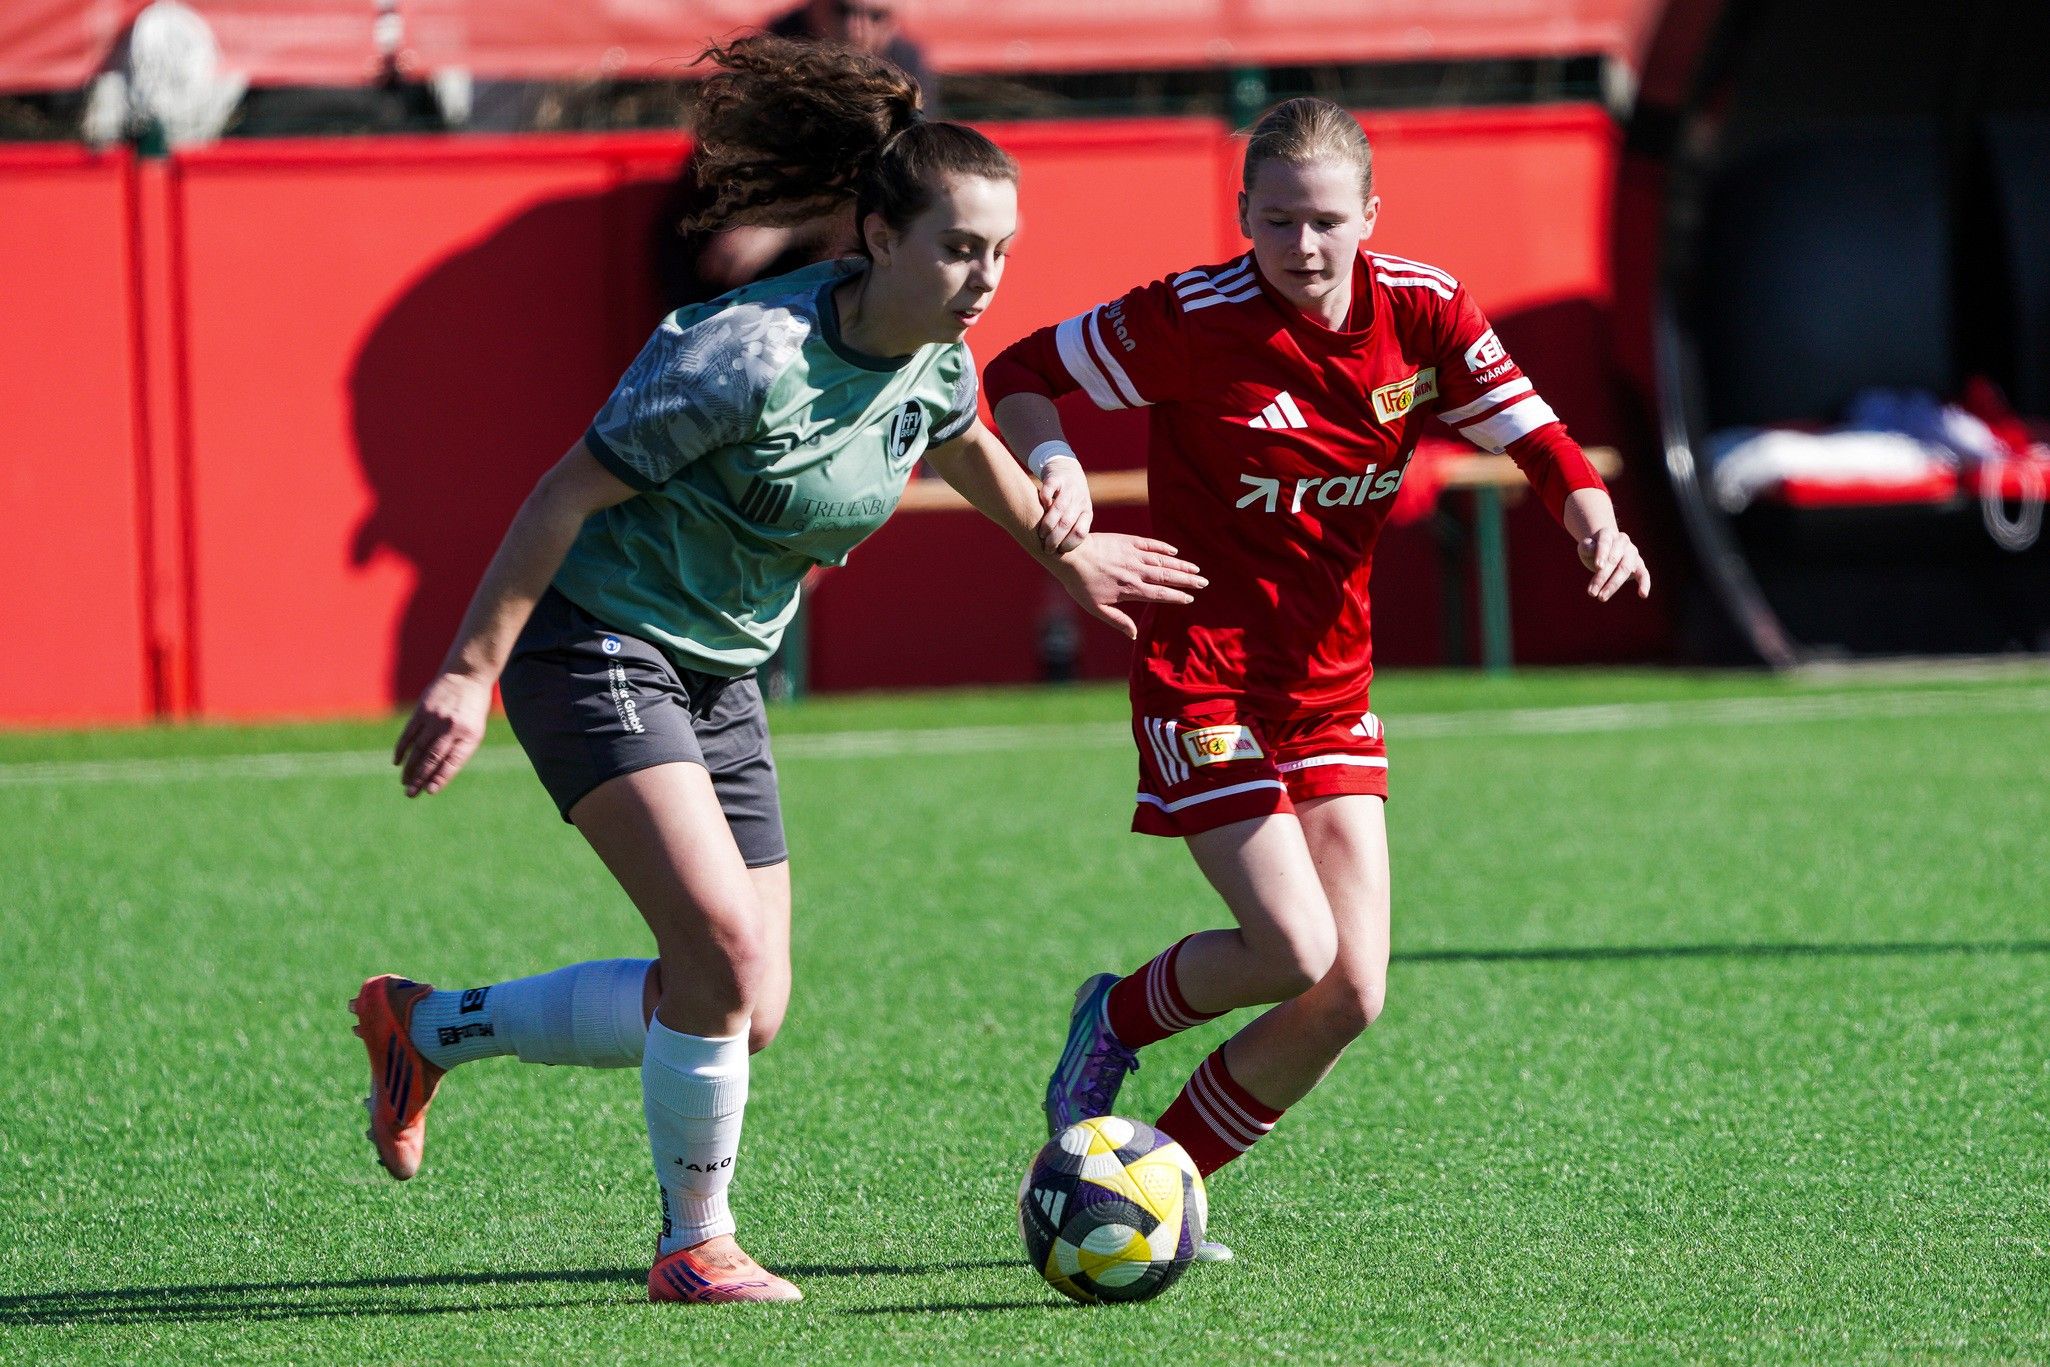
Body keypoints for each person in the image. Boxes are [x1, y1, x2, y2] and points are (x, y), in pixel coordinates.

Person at [355, 35, 1206, 1306]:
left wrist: (1064, 554)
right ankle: (692, 1244)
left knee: (746, 1003)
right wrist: (468, 671)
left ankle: (425, 1028)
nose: (983, 279)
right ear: (876, 231)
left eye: (1002, 253)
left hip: (723, 674)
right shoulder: (745, 351)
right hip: (597, 641)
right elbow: (560, 495)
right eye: (958, 248)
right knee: (714, 942)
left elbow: (963, 438)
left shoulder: (931, 355)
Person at [982, 97, 1651, 1258]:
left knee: (1349, 991)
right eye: (1277, 220)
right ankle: (1116, 1015)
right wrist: (1055, 466)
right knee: (1292, 947)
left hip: (1330, 685)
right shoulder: (1190, 318)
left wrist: (1590, 518)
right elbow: (1022, 368)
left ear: (1370, 217)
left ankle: (1162, 1189)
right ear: (1242, 214)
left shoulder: (1422, 309)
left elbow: (1537, 434)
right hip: (1203, 675)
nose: (1301, 246)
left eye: (1326, 221)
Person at [655, 0, 937, 311]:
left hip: (797, 245)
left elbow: (891, 186)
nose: (858, 28)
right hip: (720, 245)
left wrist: (780, 233)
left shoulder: (904, 70)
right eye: (843, 10)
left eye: (877, 16)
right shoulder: (776, 56)